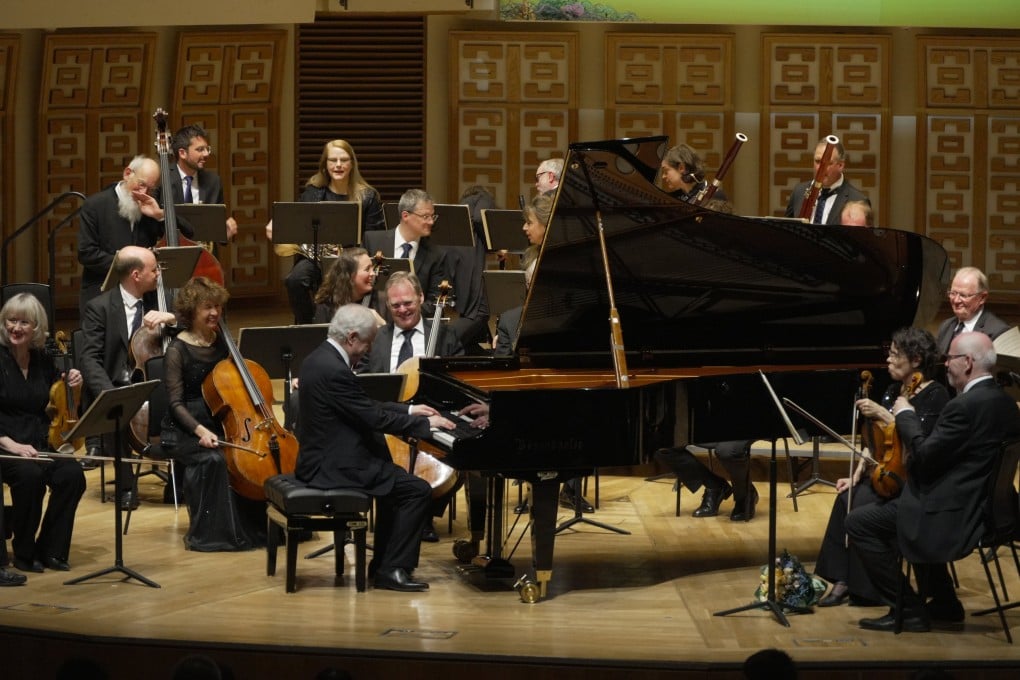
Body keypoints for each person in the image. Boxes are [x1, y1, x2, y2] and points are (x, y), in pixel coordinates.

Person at [845, 331, 1020, 632]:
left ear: (967, 362)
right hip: (994, 509)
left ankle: (908, 609)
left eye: (950, 359)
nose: (944, 365)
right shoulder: (1006, 404)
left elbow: (923, 456)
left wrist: (906, 416)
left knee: (860, 523)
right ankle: (945, 602)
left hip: (955, 513)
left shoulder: (962, 408)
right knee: (904, 500)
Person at [295, 303, 455, 592]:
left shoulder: (319, 358)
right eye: (367, 342)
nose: (368, 350)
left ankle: (382, 565)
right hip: (335, 466)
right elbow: (371, 417)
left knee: (396, 485)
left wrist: (409, 411)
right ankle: (392, 569)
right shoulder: (334, 369)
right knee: (416, 490)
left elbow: (362, 405)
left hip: (325, 459)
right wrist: (426, 427)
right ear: (352, 337)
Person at [814, 327, 949, 607]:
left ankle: (869, 589)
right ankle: (842, 580)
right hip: (885, 473)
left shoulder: (936, 396)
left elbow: (919, 444)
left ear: (916, 360)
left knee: (862, 507)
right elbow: (874, 444)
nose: (888, 359)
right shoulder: (891, 389)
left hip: (912, 481)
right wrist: (855, 475)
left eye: (895, 354)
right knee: (846, 497)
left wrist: (887, 415)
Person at [159, 276, 264, 551]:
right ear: (192, 310)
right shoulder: (176, 350)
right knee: (214, 460)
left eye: (217, 306)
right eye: (207, 307)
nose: (215, 313)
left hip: (220, 422)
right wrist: (200, 430)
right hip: (185, 428)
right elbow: (175, 404)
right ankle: (210, 533)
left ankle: (253, 525)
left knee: (247, 459)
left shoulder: (222, 343)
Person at [366, 271, 464, 542]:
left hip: (434, 415)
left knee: (459, 449)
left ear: (421, 298)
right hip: (388, 418)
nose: (403, 310)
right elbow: (364, 383)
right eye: (395, 305)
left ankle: (426, 514)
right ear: (388, 307)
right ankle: (398, 512)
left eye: (408, 302)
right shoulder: (376, 339)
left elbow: (460, 379)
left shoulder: (444, 334)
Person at [78, 246, 177, 509]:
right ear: (135, 274)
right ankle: (125, 485)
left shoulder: (162, 299)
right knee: (115, 411)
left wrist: (172, 317)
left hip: (156, 382)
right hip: (117, 384)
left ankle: (178, 481)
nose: (159, 274)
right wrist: (107, 392)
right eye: (154, 269)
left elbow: (198, 322)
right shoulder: (99, 307)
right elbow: (89, 358)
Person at [0, 293, 86, 575]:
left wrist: (73, 385)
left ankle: (50, 549)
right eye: (11, 320)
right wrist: (10, 444)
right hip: (5, 443)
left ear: (36, 327)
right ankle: (24, 554)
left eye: (24, 322)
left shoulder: (43, 360)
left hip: (40, 441)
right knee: (30, 477)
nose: (16, 327)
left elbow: (56, 402)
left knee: (72, 476)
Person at [266, 139, 385, 324]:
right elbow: (295, 222)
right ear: (325, 164)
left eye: (344, 160)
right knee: (295, 280)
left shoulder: (368, 196)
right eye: (332, 160)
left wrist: (353, 257)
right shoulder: (313, 193)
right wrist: (278, 225)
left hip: (353, 259)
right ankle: (308, 326)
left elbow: (375, 236)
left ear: (352, 164)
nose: (338, 165)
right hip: (317, 258)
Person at [77, 155, 193, 318]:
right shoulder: (95, 205)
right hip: (103, 292)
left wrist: (159, 214)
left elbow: (189, 233)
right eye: (141, 185)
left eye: (150, 188)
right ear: (127, 174)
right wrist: (129, 268)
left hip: (144, 295)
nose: (144, 192)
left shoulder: (150, 203)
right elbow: (86, 253)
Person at [363, 188, 449, 319]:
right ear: (405, 216)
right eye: (426, 216)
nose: (431, 222)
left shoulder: (436, 254)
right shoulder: (372, 241)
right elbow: (359, 286)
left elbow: (434, 303)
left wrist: (403, 315)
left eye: (433, 216)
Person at [162, 124, 239, 244]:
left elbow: (216, 227)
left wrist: (224, 233)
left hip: (205, 257)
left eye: (207, 149)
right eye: (200, 150)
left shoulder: (213, 181)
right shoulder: (163, 179)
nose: (206, 154)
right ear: (182, 153)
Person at [444, 185, 495, 352]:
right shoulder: (483, 197)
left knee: (469, 311)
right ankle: (443, 343)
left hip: (457, 260)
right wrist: (494, 245)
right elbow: (480, 219)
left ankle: (472, 353)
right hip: (470, 259)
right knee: (479, 311)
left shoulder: (463, 205)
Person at [784, 138, 869, 225]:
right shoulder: (799, 191)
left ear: (840, 165)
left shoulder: (857, 199)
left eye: (828, 163)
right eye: (817, 161)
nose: (820, 168)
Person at [934, 266, 1009, 357]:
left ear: (982, 297)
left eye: (963, 295)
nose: (956, 300)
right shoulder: (946, 326)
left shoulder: (998, 332)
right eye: (953, 293)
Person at [311, 246, 381, 324]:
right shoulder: (326, 306)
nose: (373, 273)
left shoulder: (381, 301)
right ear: (350, 275)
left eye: (372, 268)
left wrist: (382, 324)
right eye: (367, 269)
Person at [659, 144, 728, 203]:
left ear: (681, 168)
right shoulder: (676, 199)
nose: (663, 176)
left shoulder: (715, 196)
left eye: (666, 171)